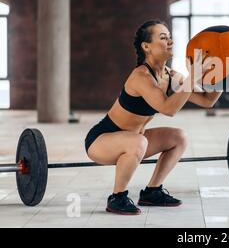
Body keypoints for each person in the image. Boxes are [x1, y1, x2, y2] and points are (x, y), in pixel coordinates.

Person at [84, 20, 221, 215]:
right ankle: (117, 197)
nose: (170, 41)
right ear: (146, 46)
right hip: (101, 140)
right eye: (163, 38)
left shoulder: (171, 76)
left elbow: (208, 101)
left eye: (170, 37)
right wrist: (192, 77)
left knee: (179, 137)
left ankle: (152, 192)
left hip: (134, 140)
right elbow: (168, 108)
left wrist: (222, 76)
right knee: (138, 142)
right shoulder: (141, 77)